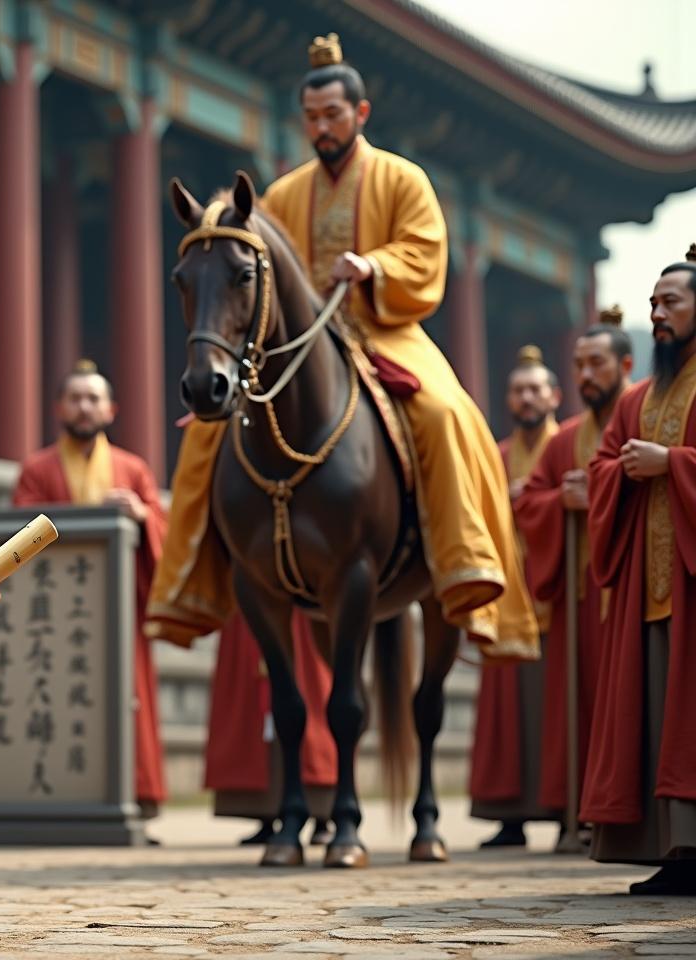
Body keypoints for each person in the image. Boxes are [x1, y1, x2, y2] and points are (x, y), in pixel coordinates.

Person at [146, 33, 537, 666]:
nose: (321, 127)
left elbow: (426, 253)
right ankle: (193, 577)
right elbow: (253, 271)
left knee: (444, 414)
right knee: (205, 436)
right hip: (299, 342)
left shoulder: (401, 178)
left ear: (360, 115)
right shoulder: (282, 195)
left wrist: (376, 267)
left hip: (387, 330)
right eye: (311, 117)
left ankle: (461, 562)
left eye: (333, 115)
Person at [582, 247, 696, 895]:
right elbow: (604, 463)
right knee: (658, 720)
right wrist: (617, 474)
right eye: (653, 304)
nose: (657, 314)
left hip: (691, 576)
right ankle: (675, 850)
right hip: (648, 586)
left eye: (670, 302)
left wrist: (674, 463)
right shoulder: (638, 397)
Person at [13, 360, 169, 817]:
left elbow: (164, 531)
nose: (85, 408)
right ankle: (58, 797)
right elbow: (20, 533)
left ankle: (138, 796)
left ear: (112, 409)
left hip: (120, 608)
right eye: (76, 398)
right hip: (59, 611)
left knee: (130, 698)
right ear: (59, 407)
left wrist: (142, 515)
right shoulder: (37, 469)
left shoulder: (132, 469)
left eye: (93, 398)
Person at [515, 312, 633, 839]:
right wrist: (557, 501)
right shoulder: (564, 440)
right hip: (582, 594)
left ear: (625, 365)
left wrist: (602, 494)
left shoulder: (646, 419)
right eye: (580, 365)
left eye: (597, 364)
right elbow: (533, 500)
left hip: (633, 590)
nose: (587, 375)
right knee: (580, 703)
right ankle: (580, 810)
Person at [470, 346, 562, 847]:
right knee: (508, 713)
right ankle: (509, 815)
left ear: (554, 396)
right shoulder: (496, 456)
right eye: (518, 391)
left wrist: (536, 501)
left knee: (557, 705)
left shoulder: (569, 446)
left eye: (535, 389)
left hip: (556, 594)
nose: (527, 399)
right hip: (508, 595)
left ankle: (567, 810)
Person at [205, 611, 336, 846]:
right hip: (251, 605)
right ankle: (266, 813)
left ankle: (322, 813)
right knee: (252, 707)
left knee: (314, 694)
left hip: (305, 603)